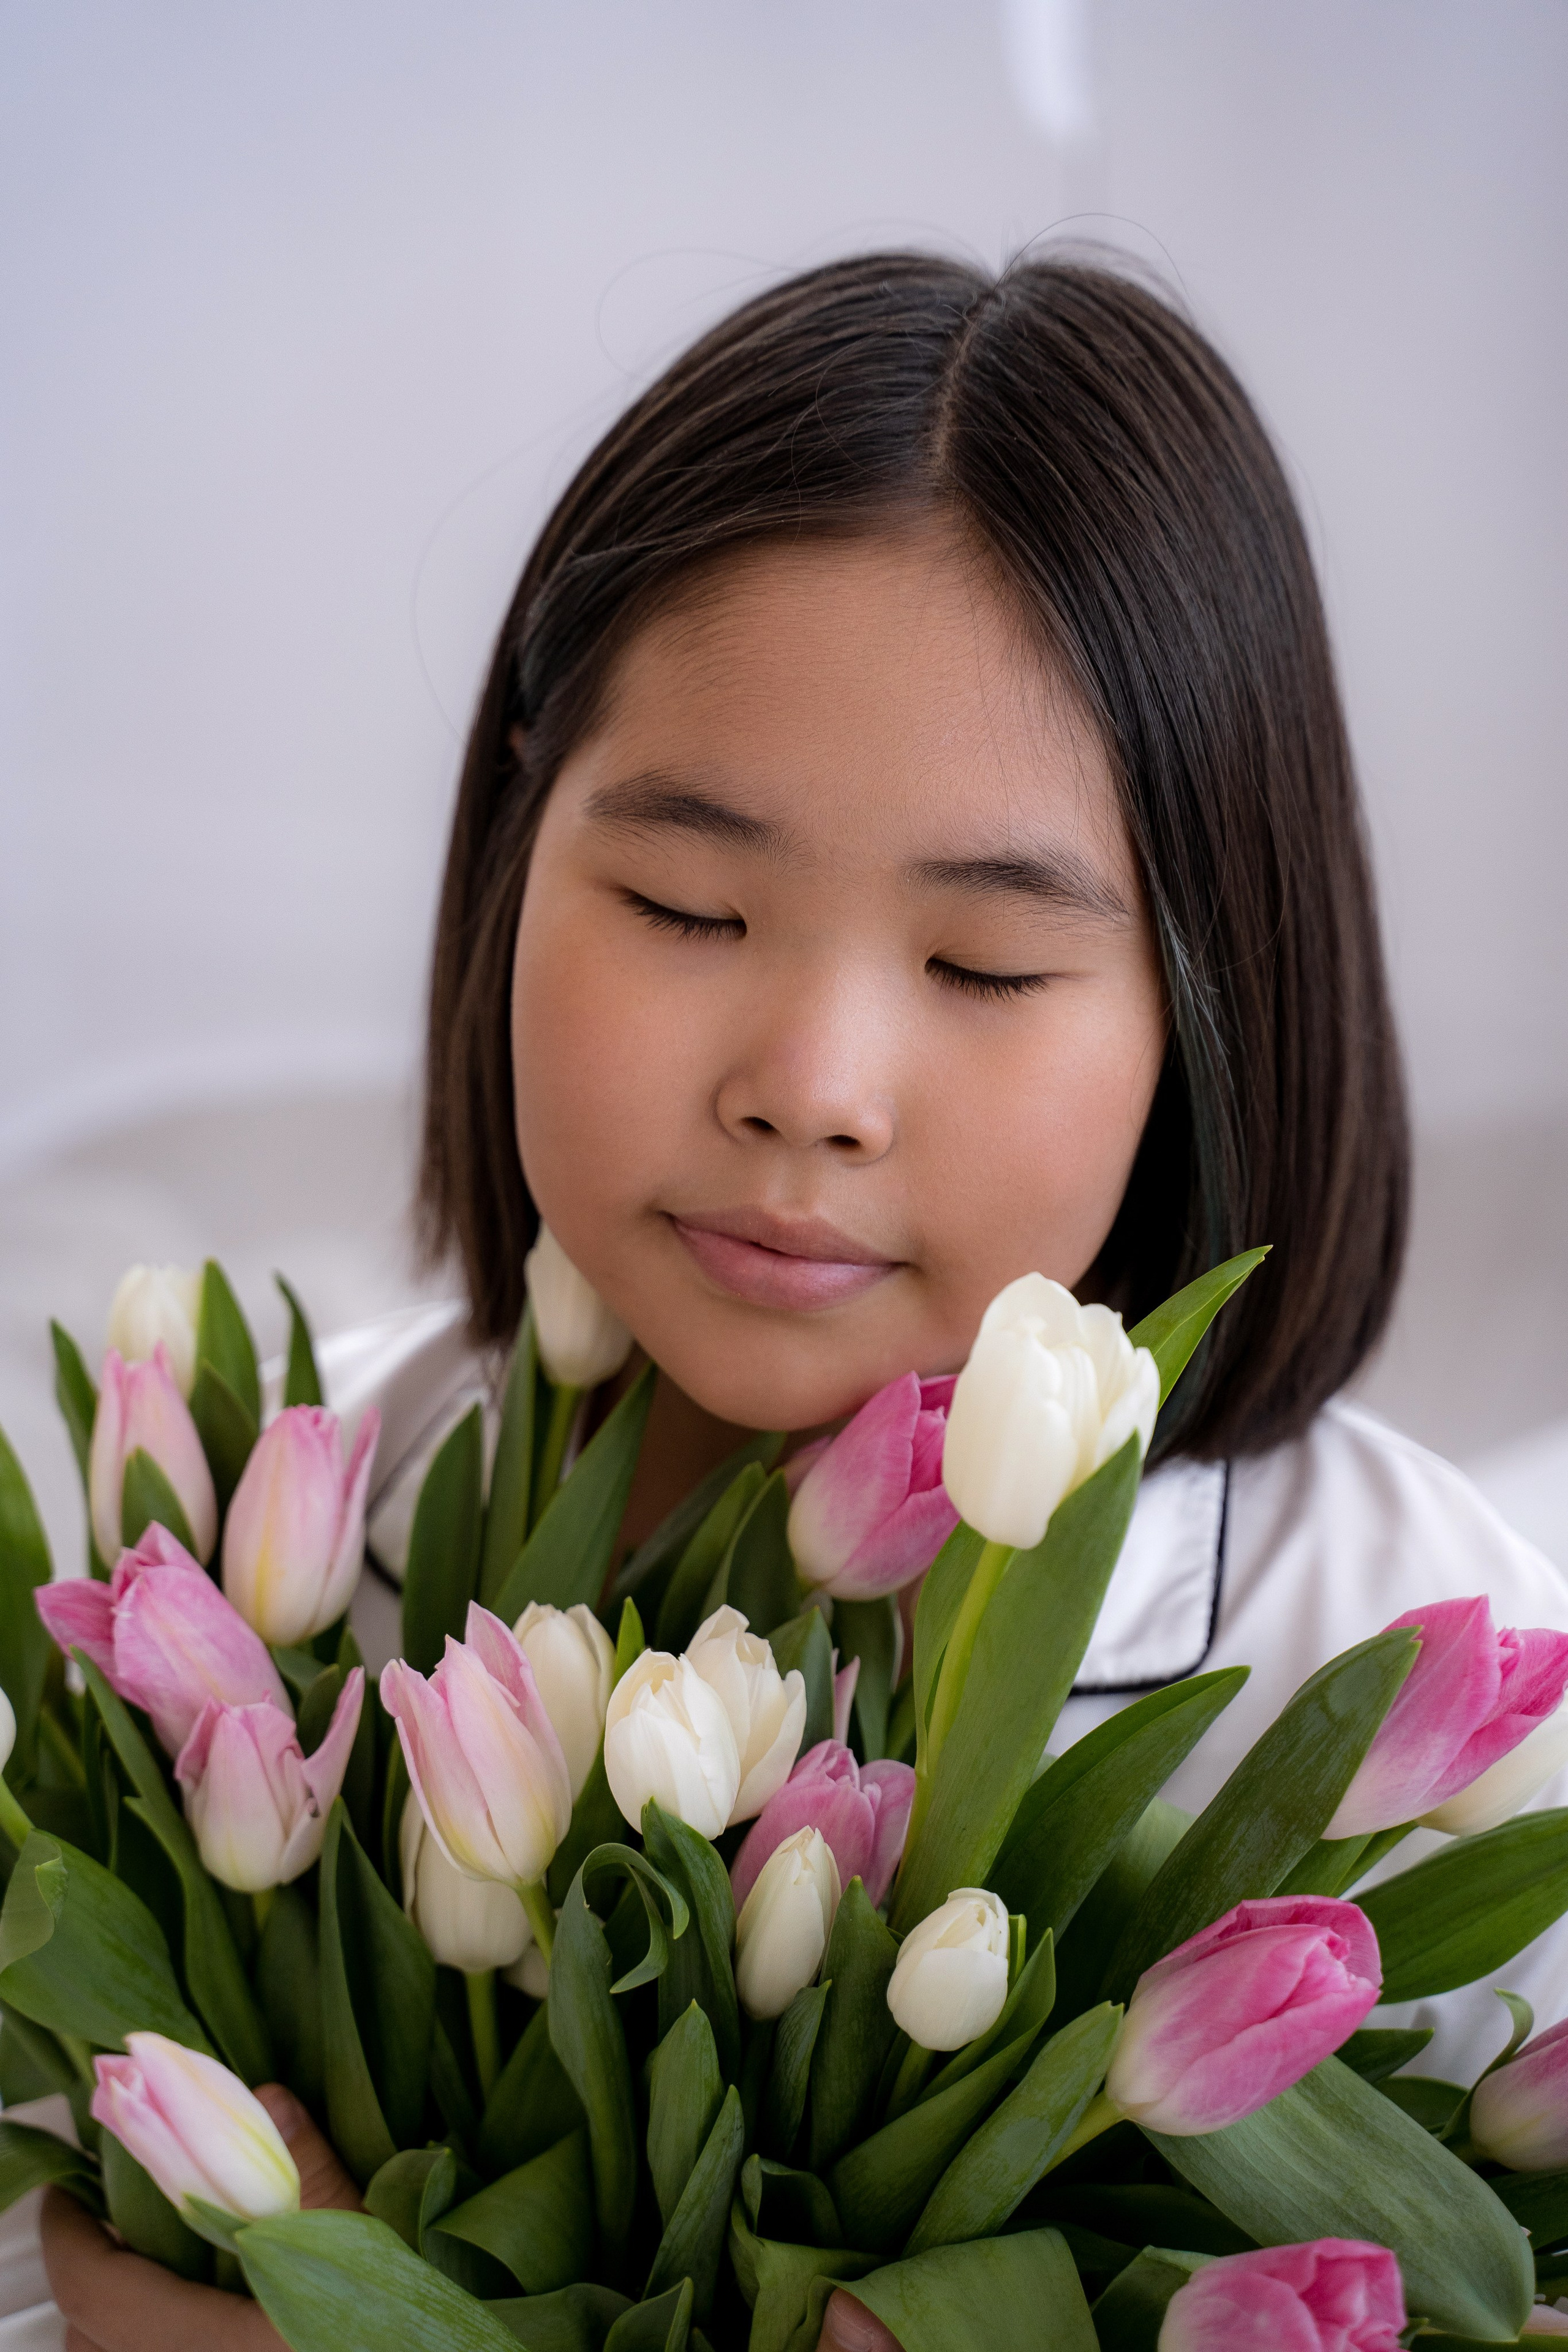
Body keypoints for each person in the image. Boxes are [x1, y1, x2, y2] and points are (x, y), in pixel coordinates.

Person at [41, 252, 1568, 2352]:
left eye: (986, 969)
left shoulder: (1410, 1671)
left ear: (1214, 1001)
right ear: (513, 829)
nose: (811, 1089)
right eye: (685, 905)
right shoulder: (260, 1550)